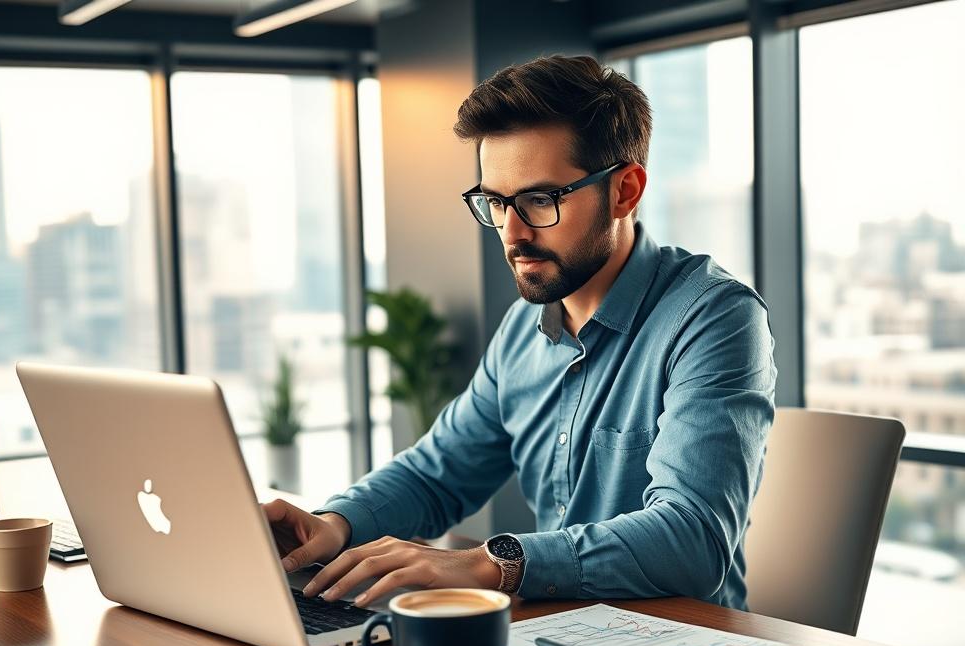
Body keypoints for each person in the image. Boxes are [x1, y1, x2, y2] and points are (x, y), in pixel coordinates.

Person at [263, 55, 776, 610]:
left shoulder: (714, 318)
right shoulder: (522, 333)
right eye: (496, 201)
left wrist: (489, 563)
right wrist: (336, 523)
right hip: (554, 636)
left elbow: (692, 542)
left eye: (539, 199)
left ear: (625, 191)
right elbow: (438, 475)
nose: (512, 233)